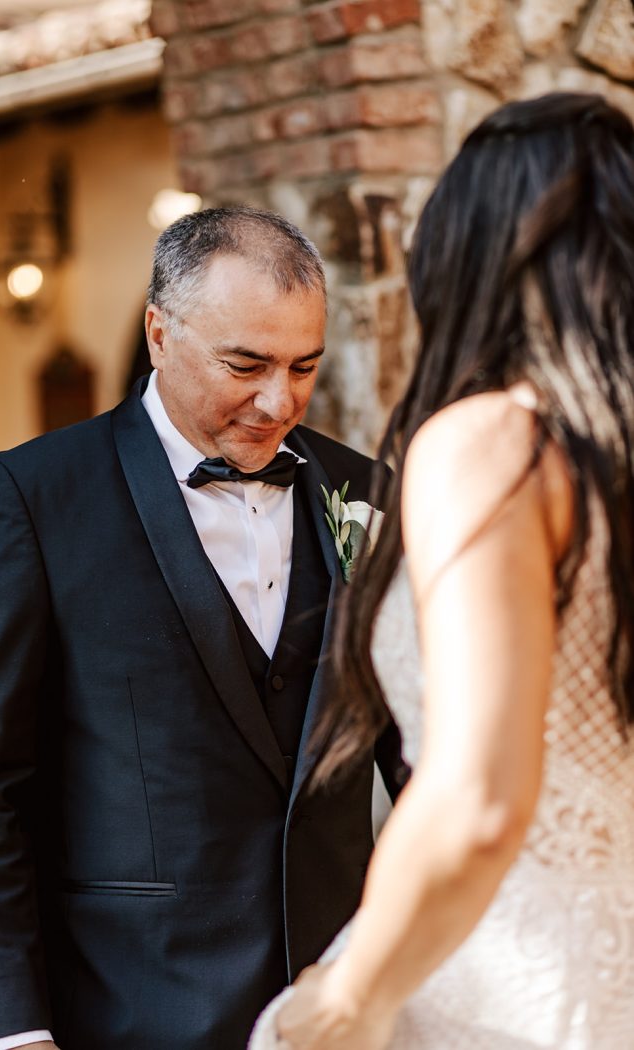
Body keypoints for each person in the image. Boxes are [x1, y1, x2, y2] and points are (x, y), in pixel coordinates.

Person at [0, 207, 407, 1050]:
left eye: (305, 367)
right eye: (246, 364)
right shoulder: (30, 500)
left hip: (344, 1013)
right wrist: (7, 1032)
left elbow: (424, 753)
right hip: (124, 1013)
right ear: (159, 332)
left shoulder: (369, 492)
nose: (278, 400)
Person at [249, 92, 634, 1049]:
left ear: (470, 256)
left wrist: (342, 1003)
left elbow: (477, 799)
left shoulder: (499, 446)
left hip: (523, 987)